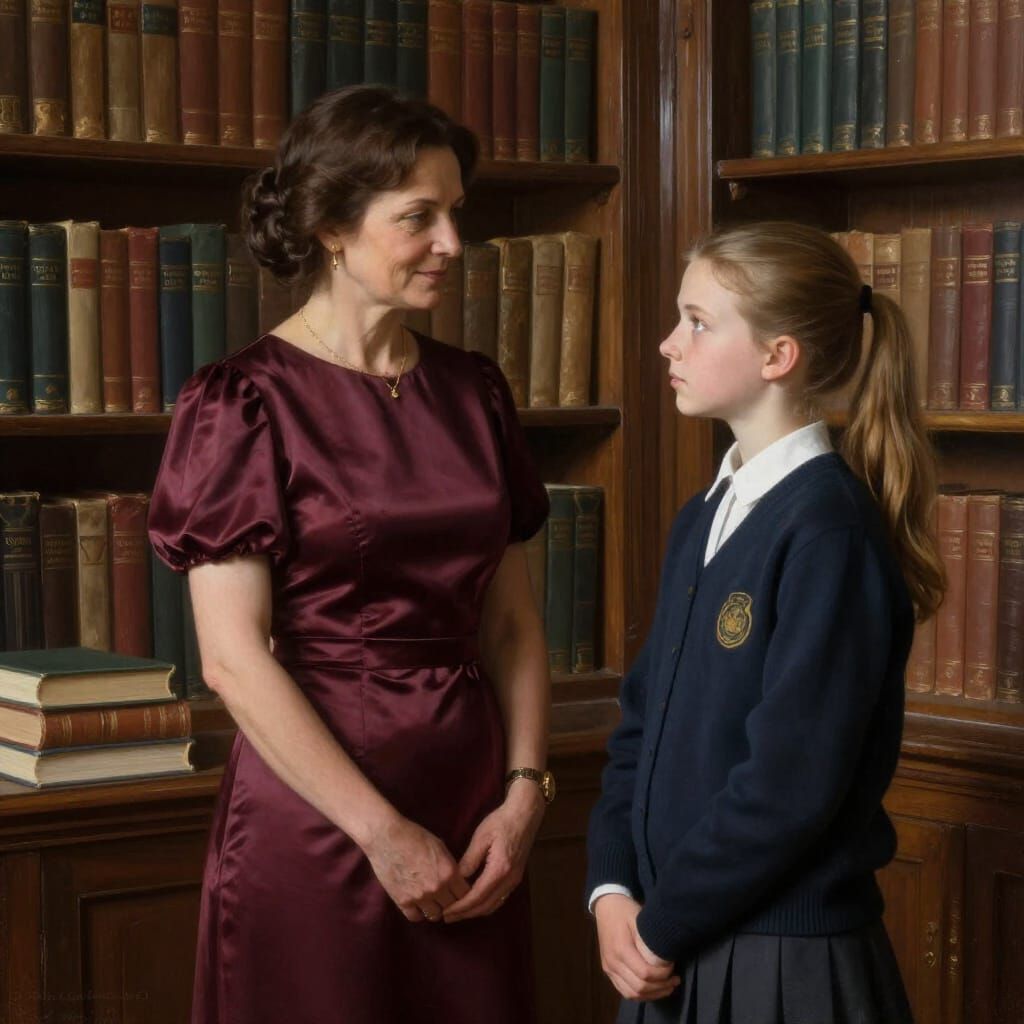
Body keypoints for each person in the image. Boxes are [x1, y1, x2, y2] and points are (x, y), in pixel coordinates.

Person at [148, 85, 553, 1024]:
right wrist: (381, 832)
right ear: (332, 226)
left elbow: (517, 623)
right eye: (420, 218)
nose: (452, 243)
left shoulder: (477, 391)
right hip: (319, 816)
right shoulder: (240, 401)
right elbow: (232, 659)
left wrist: (525, 795)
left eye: (457, 214)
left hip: (475, 808)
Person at [585, 221, 945, 1024]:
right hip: (663, 949)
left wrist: (658, 927)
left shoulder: (827, 532)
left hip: (780, 964)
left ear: (778, 357)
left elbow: (788, 787)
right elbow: (638, 731)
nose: (668, 344)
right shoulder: (702, 517)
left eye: (698, 323)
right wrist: (612, 890)